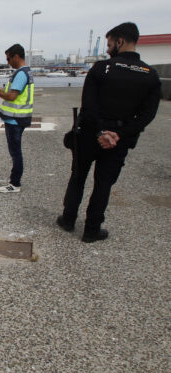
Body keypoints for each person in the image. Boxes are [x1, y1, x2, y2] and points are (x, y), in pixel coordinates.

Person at [56, 22, 161, 243]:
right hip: (118, 141)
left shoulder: (102, 68)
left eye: (110, 43)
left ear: (120, 41)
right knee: (103, 184)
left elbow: (89, 106)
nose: (108, 48)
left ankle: (68, 219)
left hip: (89, 134)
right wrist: (118, 134)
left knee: (78, 177)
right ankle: (92, 230)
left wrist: (102, 131)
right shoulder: (150, 75)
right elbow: (146, 115)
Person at [0, 43, 34, 193]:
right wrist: (2, 91)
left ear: (16, 56)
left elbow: (12, 96)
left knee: (15, 152)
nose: (8, 62)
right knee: (14, 151)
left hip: (16, 119)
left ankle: (15, 183)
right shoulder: (23, 73)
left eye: (8, 59)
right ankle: (13, 179)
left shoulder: (21, 74)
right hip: (16, 119)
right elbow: (13, 94)